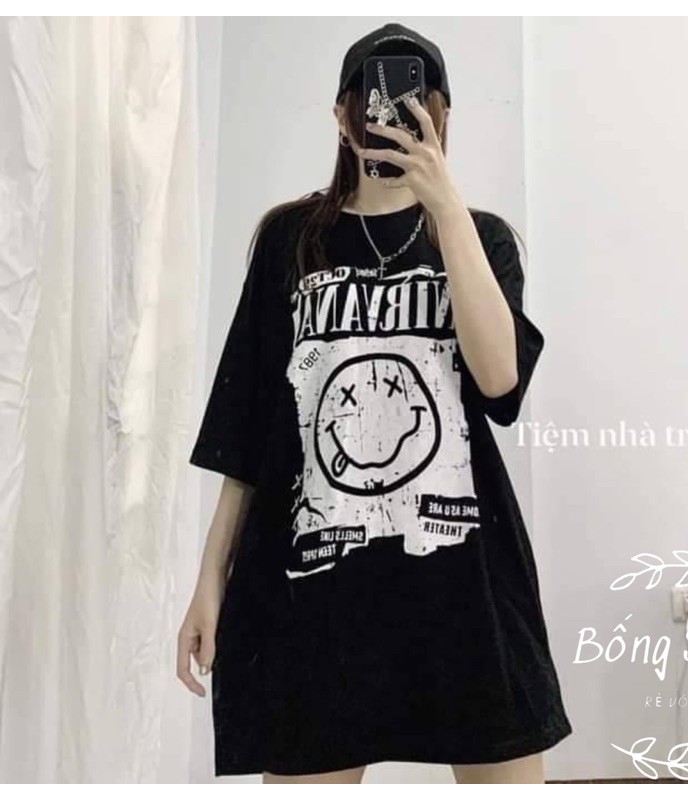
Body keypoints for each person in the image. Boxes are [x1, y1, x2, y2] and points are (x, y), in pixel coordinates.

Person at [178, 22, 572, 785]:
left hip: (461, 575)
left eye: (419, 101)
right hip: (317, 577)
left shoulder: (481, 239)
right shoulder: (291, 238)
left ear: (443, 117)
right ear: (342, 115)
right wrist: (209, 580)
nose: (395, 114)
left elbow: (500, 382)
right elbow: (250, 424)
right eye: (375, 98)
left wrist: (446, 210)